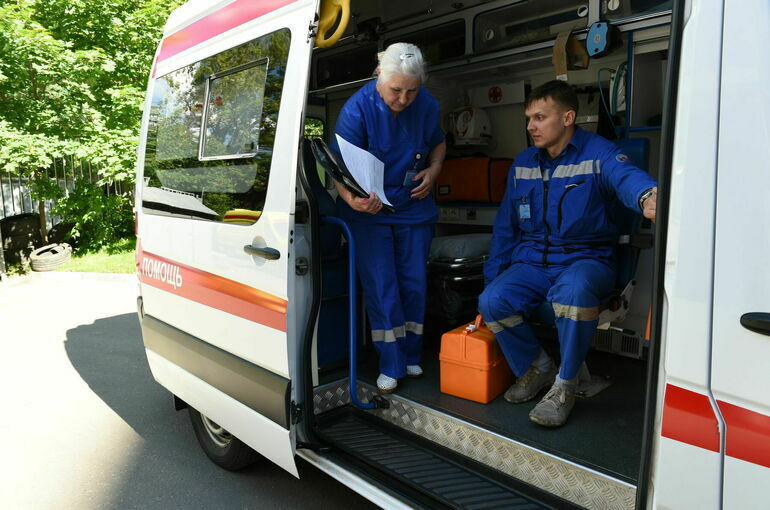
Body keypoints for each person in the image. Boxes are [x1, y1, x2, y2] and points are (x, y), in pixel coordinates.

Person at [478, 80, 658, 427]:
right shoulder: (524, 163)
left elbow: (625, 175)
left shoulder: (599, 152)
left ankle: (566, 384)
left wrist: (647, 194)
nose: (530, 126)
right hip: (532, 262)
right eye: (529, 118)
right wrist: (492, 278)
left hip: (586, 260)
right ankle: (539, 367)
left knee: (572, 292)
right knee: (492, 299)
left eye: (540, 117)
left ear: (568, 118)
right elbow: (506, 228)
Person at [331, 43, 446, 393]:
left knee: (413, 282)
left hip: (412, 206)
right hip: (371, 212)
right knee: (382, 285)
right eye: (396, 90)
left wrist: (435, 168)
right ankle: (390, 363)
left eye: (411, 90)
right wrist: (351, 199)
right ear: (379, 75)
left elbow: (438, 142)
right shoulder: (357, 110)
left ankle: (412, 356)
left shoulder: (427, 105)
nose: (403, 99)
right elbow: (337, 165)